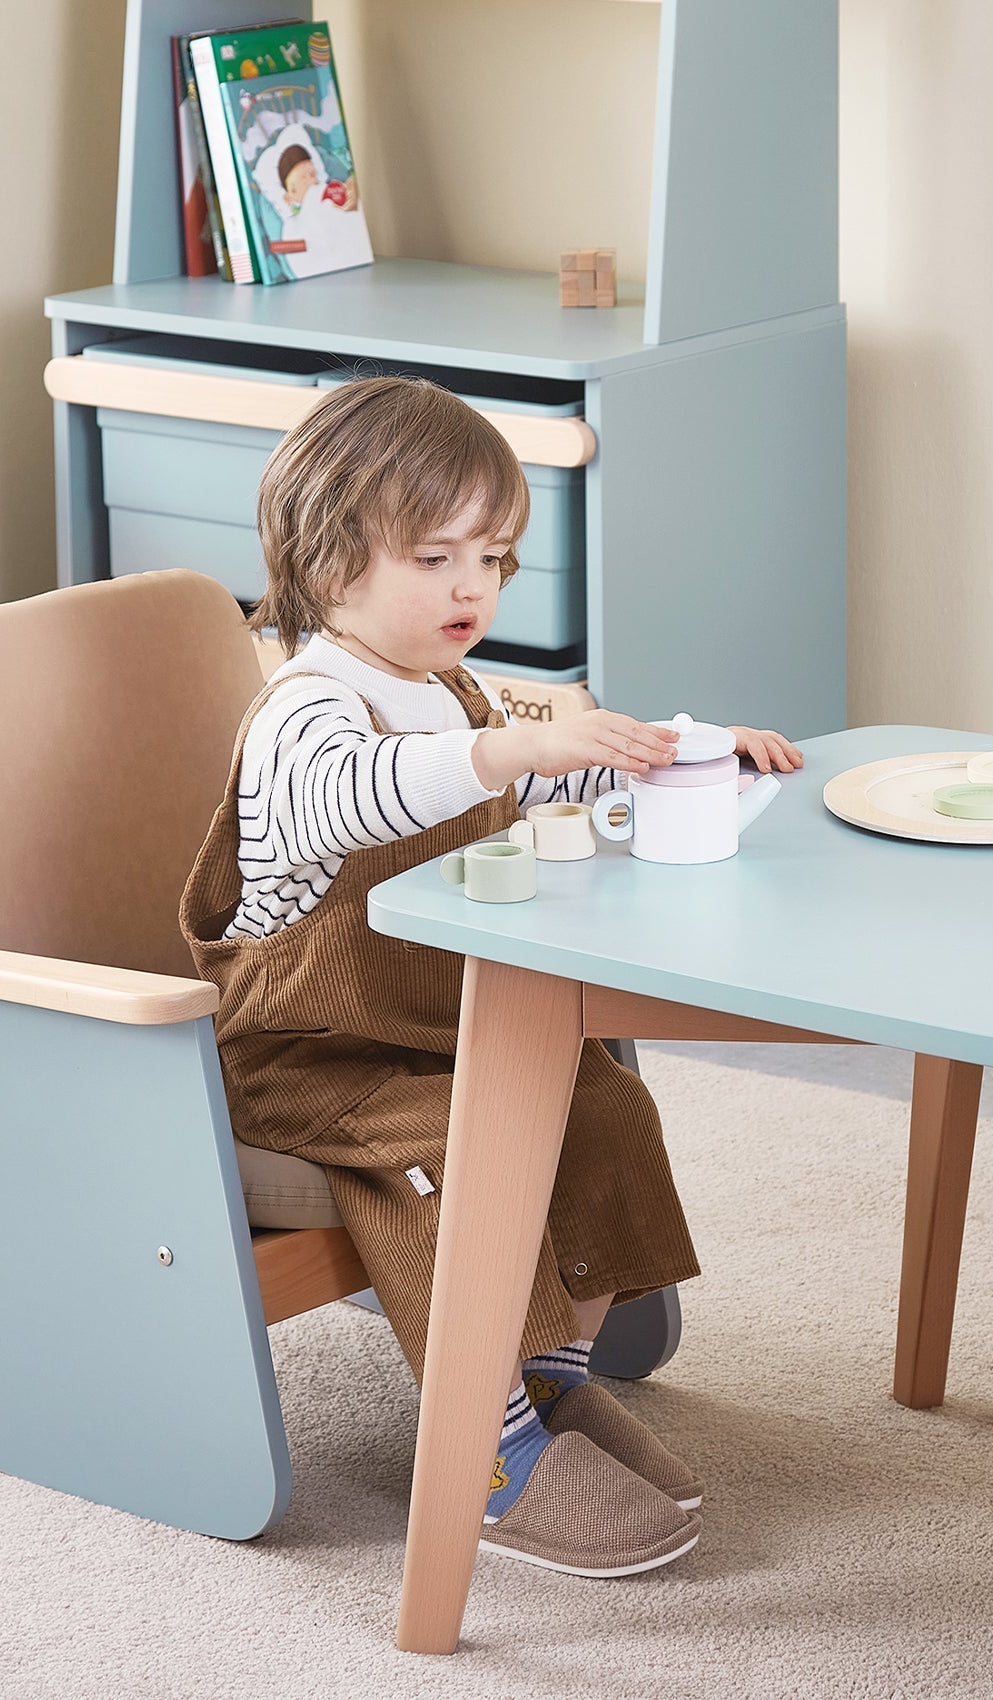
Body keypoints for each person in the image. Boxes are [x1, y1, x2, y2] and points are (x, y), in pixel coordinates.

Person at [180, 376, 802, 1578]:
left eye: (494, 558)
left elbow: (537, 775)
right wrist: (510, 744)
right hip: (302, 1055)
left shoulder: (446, 690)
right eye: (435, 557)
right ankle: (485, 1444)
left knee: (602, 1100)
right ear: (326, 556)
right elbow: (365, 794)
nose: (472, 587)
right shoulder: (304, 706)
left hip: (434, 1023)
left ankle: (550, 1381)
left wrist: (679, 753)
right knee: (459, 1148)